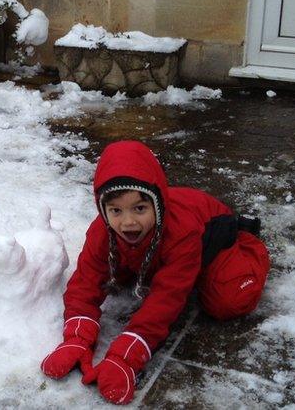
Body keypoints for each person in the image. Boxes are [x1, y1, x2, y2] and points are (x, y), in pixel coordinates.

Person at [40, 140, 269, 405]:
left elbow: (166, 300)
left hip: (213, 240)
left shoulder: (181, 233)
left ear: (157, 206)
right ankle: (152, 262)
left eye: (140, 208)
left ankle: (250, 251)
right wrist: (77, 337)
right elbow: (86, 281)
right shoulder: (103, 231)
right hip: (158, 250)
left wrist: (126, 356)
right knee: (117, 272)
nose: (127, 222)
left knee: (228, 301)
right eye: (116, 210)